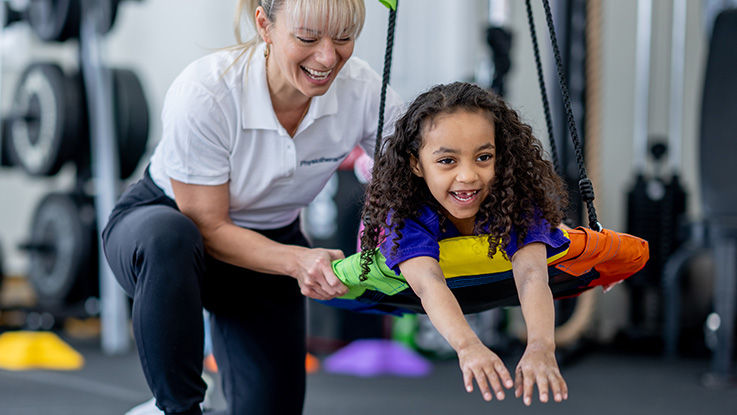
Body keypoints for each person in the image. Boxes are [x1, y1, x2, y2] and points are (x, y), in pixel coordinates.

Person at [102, 0, 402, 414]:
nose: (328, 57)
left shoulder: (363, 91)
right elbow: (207, 226)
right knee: (171, 237)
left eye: (344, 38)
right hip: (167, 231)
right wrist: (299, 261)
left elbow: (420, 171)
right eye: (307, 38)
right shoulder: (208, 91)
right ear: (265, 25)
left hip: (269, 245)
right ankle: (175, 408)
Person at [359, 82, 570, 406]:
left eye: (483, 157)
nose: (469, 176)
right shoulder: (403, 214)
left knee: (555, 233)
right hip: (394, 262)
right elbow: (428, 283)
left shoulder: (516, 200)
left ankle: (554, 227)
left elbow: (532, 276)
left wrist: (541, 345)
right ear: (416, 163)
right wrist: (468, 345)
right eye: (447, 161)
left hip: (493, 257)